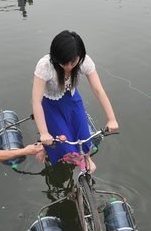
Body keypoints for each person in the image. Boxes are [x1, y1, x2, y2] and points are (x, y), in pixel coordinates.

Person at [32, 30, 118, 172]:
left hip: (72, 98)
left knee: (84, 137)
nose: (69, 66)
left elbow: (98, 90)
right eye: (64, 63)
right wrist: (44, 133)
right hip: (50, 103)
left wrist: (111, 118)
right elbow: (36, 101)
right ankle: (46, 148)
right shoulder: (44, 66)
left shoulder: (84, 61)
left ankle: (86, 158)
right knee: (63, 143)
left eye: (73, 62)